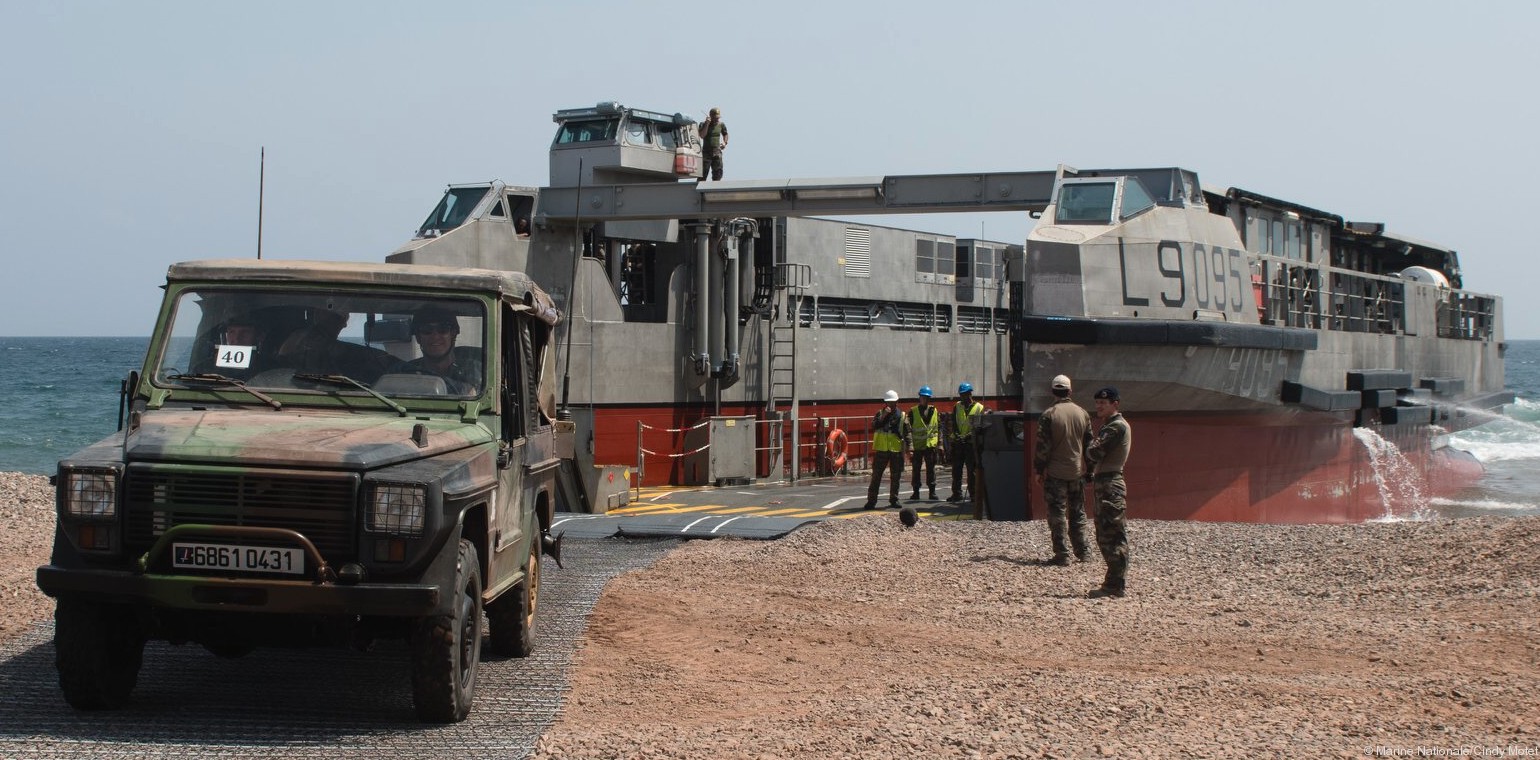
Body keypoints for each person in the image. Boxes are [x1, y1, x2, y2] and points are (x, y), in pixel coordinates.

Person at [1033, 374, 1092, 566]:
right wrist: (1090, 469)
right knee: (1078, 512)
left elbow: (1043, 447)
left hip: (1056, 474)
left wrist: (1038, 470)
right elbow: (1089, 444)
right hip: (1076, 472)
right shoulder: (1083, 413)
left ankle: (1062, 554)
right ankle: (1083, 552)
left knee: (1057, 513)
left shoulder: (1049, 415)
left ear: (1053, 392)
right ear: (1070, 391)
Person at [1085, 387, 1133, 599]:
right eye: (1097, 403)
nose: (1099, 407)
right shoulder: (1110, 427)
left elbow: (1094, 452)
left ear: (1115, 404)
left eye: (1103, 403)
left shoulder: (1115, 428)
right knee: (1105, 534)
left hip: (1110, 484)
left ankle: (1115, 584)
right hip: (1105, 482)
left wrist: (1089, 446)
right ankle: (1114, 582)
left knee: (1112, 535)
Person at [397, 306, 483, 395]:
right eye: (427, 330)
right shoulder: (405, 372)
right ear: (418, 337)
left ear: (453, 335)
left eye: (443, 329)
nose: (435, 337)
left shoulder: (474, 371)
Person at [864, 389, 908, 509]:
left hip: (896, 450)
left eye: (892, 402)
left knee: (896, 476)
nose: (890, 404)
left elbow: (906, 432)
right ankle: (871, 501)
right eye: (888, 402)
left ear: (897, 402)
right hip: (882, 450)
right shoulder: (880, 413)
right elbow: (874, 426)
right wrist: (884, 416)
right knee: (876, 476)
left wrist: (910, 449)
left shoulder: (902, 415)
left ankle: (894, 499)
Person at [947, 382, 987, 503]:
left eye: (965, 395)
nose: (963, 397)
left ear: (970, 394)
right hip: (959, 443)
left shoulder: (979, 408)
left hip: (971, 444)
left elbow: (980, 426)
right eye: (961, 395)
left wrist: (970, 436)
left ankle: (973, 495)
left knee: (972, 471)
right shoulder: (957, 406)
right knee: (956, 470)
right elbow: (953, 423)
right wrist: (957, 436)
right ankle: (956, 494)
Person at [908, 385, 942, 501]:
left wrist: (940, 444)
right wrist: (911, 448)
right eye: (923, 397)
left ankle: (932, 492)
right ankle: (916, 492)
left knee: (931, 469)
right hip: (918, 446)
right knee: (916, 469)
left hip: (930, 446)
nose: (925, 399)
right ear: (920, 397)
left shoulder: (934, 411)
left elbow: (939, 428)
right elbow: (908, 431)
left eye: (927, 398)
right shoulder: (913, 412)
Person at [697, 107, 729, 181]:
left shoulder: (721, 125)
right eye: (715, 118)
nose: (717, 119)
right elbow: (702, 135)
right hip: (706, 152)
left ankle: (715, 189)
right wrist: (707, 124)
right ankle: (701, 191)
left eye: (718, 118)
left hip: (717, 151)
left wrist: (725, 143)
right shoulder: (703, 124)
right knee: (703, 174)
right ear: (711, 117)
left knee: (718, 173)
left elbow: (725, 134)